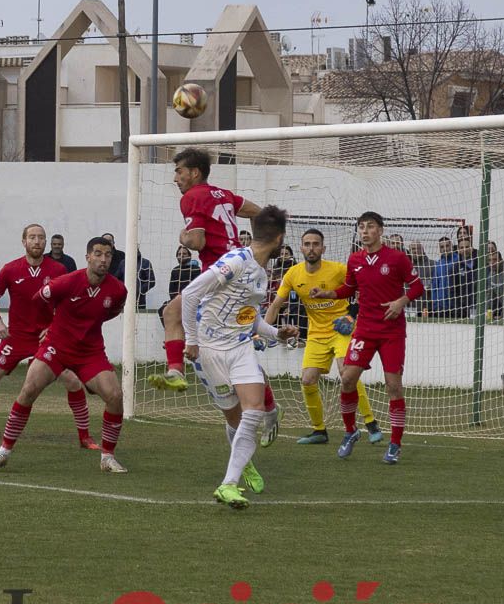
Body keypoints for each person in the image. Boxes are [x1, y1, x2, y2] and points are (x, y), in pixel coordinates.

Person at [0, 237, 129, 474]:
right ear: (88, 257)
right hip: (56, 348)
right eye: (98, 254)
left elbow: (112, 311)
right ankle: (3, 451)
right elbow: (39, 299)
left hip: (90, 352)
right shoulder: (67, 282)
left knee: (115, 395)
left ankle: (107, 457)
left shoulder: (118, 289)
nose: (103, 259)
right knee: (28, 391)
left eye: (108, 255)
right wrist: (47, 325)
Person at [183, 206, 297, 508]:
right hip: (209, 352)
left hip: (240, 347)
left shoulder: (260, 273)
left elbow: (248, 317)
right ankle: (241, 462)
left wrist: (275, 333)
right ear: (280, 239)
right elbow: (192, 293)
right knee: (234, 417)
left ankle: (228, 484)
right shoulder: (235, 261)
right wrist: (192, 341)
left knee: (254, 410)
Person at [0, 224, 99, 450]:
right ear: (24, 241)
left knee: (73, 382)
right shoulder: (10, 269)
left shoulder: (58, 270)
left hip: (47, 339)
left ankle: (85, 437)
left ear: (45, 243)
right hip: (16, 337)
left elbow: (68, 304)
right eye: (32, 237)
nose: (37, 241)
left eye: (41, 238)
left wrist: (56, 326)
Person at [309, 211, 425, 465]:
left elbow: (418, 286)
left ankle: (395, 444)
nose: (364, 231)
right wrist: (326, 293)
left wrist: (401, 301)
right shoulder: (355, 260)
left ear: (380, 230)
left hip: (392, 332)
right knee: (347, 379)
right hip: (364, 329)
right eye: (361, 227)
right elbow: (350, 288)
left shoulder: (397, 258)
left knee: (393, 386)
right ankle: (351, 432)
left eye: (370, 227)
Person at [153, 148, 261, 394]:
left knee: (173, 314)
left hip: (220, 275)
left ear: (194, 172)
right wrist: (257, 250)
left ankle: (176, 371)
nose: (175, 178)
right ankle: (266, 404)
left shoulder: (192, 197)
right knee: (229, 342)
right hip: (240, 270)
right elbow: (258, 212)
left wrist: (183, 238)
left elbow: (197, 242)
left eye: (179, 172)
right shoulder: (223, 194)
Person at [265, 229, 382, 446]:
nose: (311, 248)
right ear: (301, 248)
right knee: (307, 379)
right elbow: (275, 305)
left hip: (342, 330)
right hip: (316, 333)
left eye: (316, 244)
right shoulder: (293, 274)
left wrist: (350, 315)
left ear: (323, 248)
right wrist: (261, 332)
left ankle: (371, 422)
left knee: (347, 373)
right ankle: (319, 431)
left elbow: (363, 289)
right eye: (307, 244)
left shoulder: (338, 270)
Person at [431, 237, 460, 318]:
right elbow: (435, 286)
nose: (445, 249)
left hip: (456, 306)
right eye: (442, 247)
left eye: (447, 246)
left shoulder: (458, 260)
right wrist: (435, 305)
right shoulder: (438, 264)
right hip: (441, 307)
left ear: (451, 246)